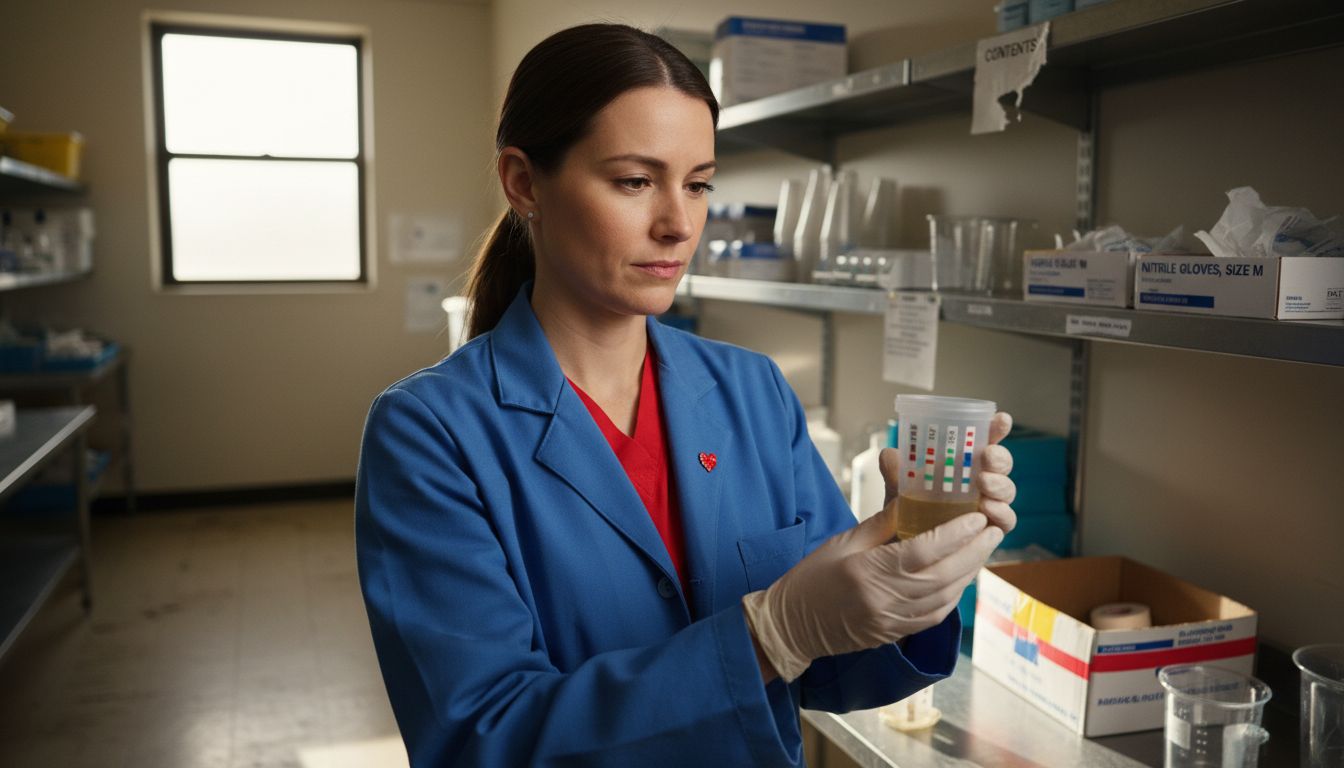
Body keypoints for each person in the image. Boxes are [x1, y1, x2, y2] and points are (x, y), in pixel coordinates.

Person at [355, 23, 1017, 768]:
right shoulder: (429, 433)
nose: (678, 224)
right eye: (635, 182)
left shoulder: (752, 391)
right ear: (523, 182)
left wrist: (908, 569)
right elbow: (482, 741)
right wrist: (768, 634)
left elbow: (832, 665)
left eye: (698, 184)